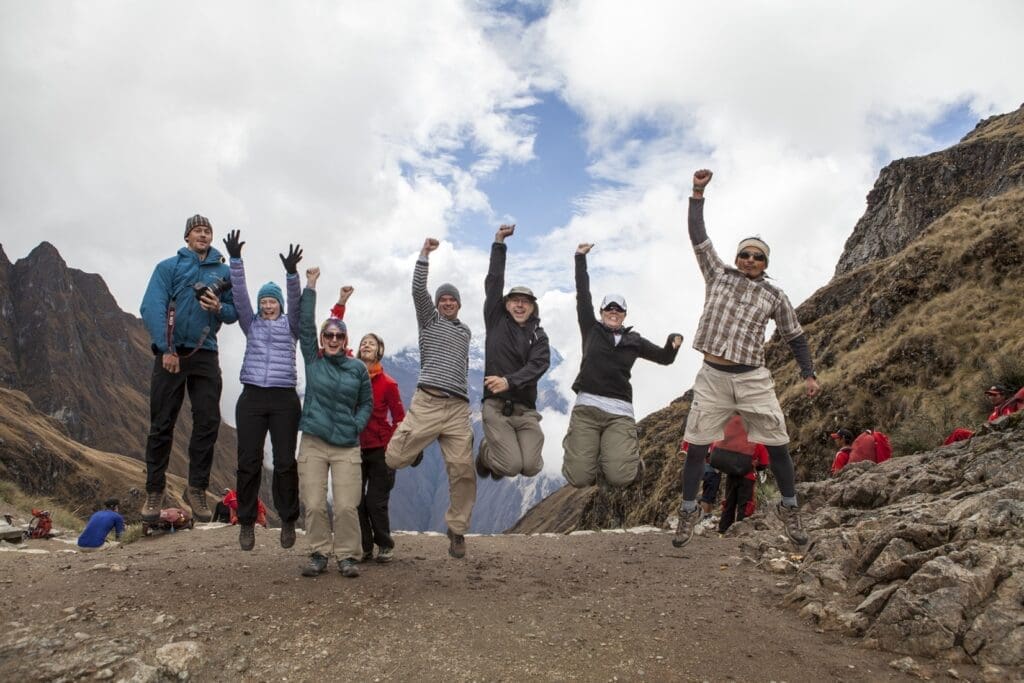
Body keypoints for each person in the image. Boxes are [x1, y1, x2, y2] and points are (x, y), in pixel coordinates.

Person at [674, 169, 819, 549]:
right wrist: (697, 194)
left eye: (757, 256)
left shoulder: (775, 295)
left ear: (765, 263)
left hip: (753, 378)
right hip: (712, 376)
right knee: (697, 445)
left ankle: (791, 510)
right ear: (737, 257)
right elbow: (697, 236)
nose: (749, 259)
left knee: (777, 444)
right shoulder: (718, 275)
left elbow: (794, 334)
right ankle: (688, 512)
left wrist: (808, 373)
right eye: (745, 253)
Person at [139, 214, 238, 524]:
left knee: (208, 421)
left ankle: (196, 488)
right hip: (172, 352)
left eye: (207, 231)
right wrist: (165, 348)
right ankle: (154, 490)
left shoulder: (224, 272)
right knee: (162, 423)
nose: (203, 235)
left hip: (205, 352)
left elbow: (235, 311)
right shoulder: (168, 267)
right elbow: (151, 305)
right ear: (187, 237)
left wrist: (218, 308)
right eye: (197, 230)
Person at [563, 243, 683, 489]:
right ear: (601, 311)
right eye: (609, 308)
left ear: (625, 315)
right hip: (587, 409)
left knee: (620, 477)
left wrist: (673, 342)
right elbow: (582, 294)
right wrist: (579, 259)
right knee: (578, 477)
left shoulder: (634, 341)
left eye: (619, 309)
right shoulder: (591, 328)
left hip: (619, 412)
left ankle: (625, 462)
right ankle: (595, 455)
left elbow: (664, 358)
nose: (614, 312)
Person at [385, 238, 475, 560]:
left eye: (452, 299)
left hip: (457, 408)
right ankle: (416, 449)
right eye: (443, 299)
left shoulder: (465, 333)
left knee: (463, 468)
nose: (447, 303)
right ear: (437, 305)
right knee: (394, 458)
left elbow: (461, 368)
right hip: (427, 402)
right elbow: (418, 291)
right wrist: (424, 255)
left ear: (459, 305)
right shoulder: (429, 321)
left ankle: (457, 529)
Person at [224, 230, 303, 552]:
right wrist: (236, 260)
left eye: (272, 302)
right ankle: (246, 522)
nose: (268, 306)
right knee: (248, 461)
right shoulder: (251, 323)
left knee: (285, 462)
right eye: (264, 302)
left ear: (280, 305)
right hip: (252, 396)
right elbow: (240, 296)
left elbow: (297, 304)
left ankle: (287, 519)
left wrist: (291, 274)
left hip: (284, 397)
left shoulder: (292, 325)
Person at [296, 267, 373, 578]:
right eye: (328, 335)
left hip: (346, 445)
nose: (333, 339)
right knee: (314, 504)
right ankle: (318, 553)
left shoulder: (357, 369)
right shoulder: (313, 361)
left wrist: (357, 424)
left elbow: (366, 402)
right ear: (322, 339)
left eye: (339, 335)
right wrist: (311, 285)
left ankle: (347, 556)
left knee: (345, 506)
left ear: (345, 340)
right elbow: (304, 324)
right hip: (314, 440)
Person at [329, 287, 407, 564]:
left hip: (381, 450)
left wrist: (400, 446)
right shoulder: (351, 370)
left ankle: (384, 543)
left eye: (371, 344)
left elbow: (400, 418)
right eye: (363, 343)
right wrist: (341, 304)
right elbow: (334, 333)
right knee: (355, 501)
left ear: (380, 351)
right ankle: (365, 547)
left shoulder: (388, 385)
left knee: (375, 501)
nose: (366, 346)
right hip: (352, 447)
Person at [477, 224, 552, 480]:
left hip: (526, 410)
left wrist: (509, 381)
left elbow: (538, 366)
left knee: (531, 468)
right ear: (506, 304)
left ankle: (504, 451)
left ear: (532, 308)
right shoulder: (495, 319)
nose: (520, 304)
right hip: (496, 407)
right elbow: (494, 281)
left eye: (525, 301)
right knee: (509, 467)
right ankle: (487, 452)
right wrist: (499, 242)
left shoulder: (539, 335)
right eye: (514, 300)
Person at [713, 415, 770, 534]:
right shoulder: (757, 441)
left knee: (729, 503)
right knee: (745, 505)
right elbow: (764, 463)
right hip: (747, 477)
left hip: (731, 475)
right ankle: (740, 531)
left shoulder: (731, 438)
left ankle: (723, 530)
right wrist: (755, 464)